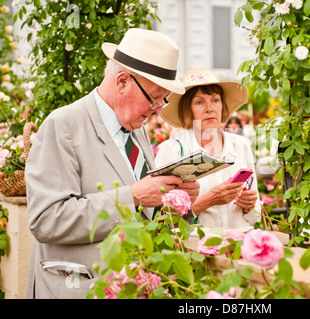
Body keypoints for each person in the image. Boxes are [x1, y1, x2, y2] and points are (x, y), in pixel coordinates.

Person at [24, 29, 200, 299]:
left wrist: (176, 200)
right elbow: (46, 220)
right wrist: (133, 197)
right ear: (122, 81)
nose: (157, 109)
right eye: (154, 97)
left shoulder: (136, 128)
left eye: (162, 99)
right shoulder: (63, 125)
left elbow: (143, 217)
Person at [155, 68, 261, 228]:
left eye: (215, 100)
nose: (209, 108)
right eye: (199, 102)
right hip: (195, 248)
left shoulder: (241, 146)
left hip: (239, 245)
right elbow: (163, 221)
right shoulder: (172, 151)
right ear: (187, 109)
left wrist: (249, 206)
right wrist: (206, 201)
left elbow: (255, 216)